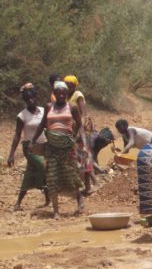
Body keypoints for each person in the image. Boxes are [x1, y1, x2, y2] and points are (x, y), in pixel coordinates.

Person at [30, 81, 86, 218]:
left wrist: (79, 141)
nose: (61, 95)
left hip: (67, 149)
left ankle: (80, 204)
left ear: (67, 94)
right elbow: (43, 124)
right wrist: (33, 140)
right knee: (52, 178)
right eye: (58, 93)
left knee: (72, 176)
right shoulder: (49, 107)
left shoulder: (72, 108)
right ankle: (56, 211)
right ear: (54, 94)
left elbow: (80, 125)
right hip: (52, 149)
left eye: (64, 93)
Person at [7, 83, 50, 210]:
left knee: (30, 172)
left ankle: (18, 203)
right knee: (43, 166)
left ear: (36, 97)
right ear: (24, 101)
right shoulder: (22, 116)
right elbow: (17, 136)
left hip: (44, 145)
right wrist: (11, 154)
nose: (30, 100)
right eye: (27, 99)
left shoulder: (43, 110)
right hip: (30, 147)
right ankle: (40, 185)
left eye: (32, 98)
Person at [64, 75, 96, 194]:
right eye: (66, 84)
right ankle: (81, 185)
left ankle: (85, 186)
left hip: (80, 131)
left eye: (70, 84)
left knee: (82, 157)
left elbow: (83, 114)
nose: (68, 86)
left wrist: (80, 130)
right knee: (74, 158)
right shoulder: (64, 97)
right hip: (70, 131)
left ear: (74, 85)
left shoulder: (78, 95)